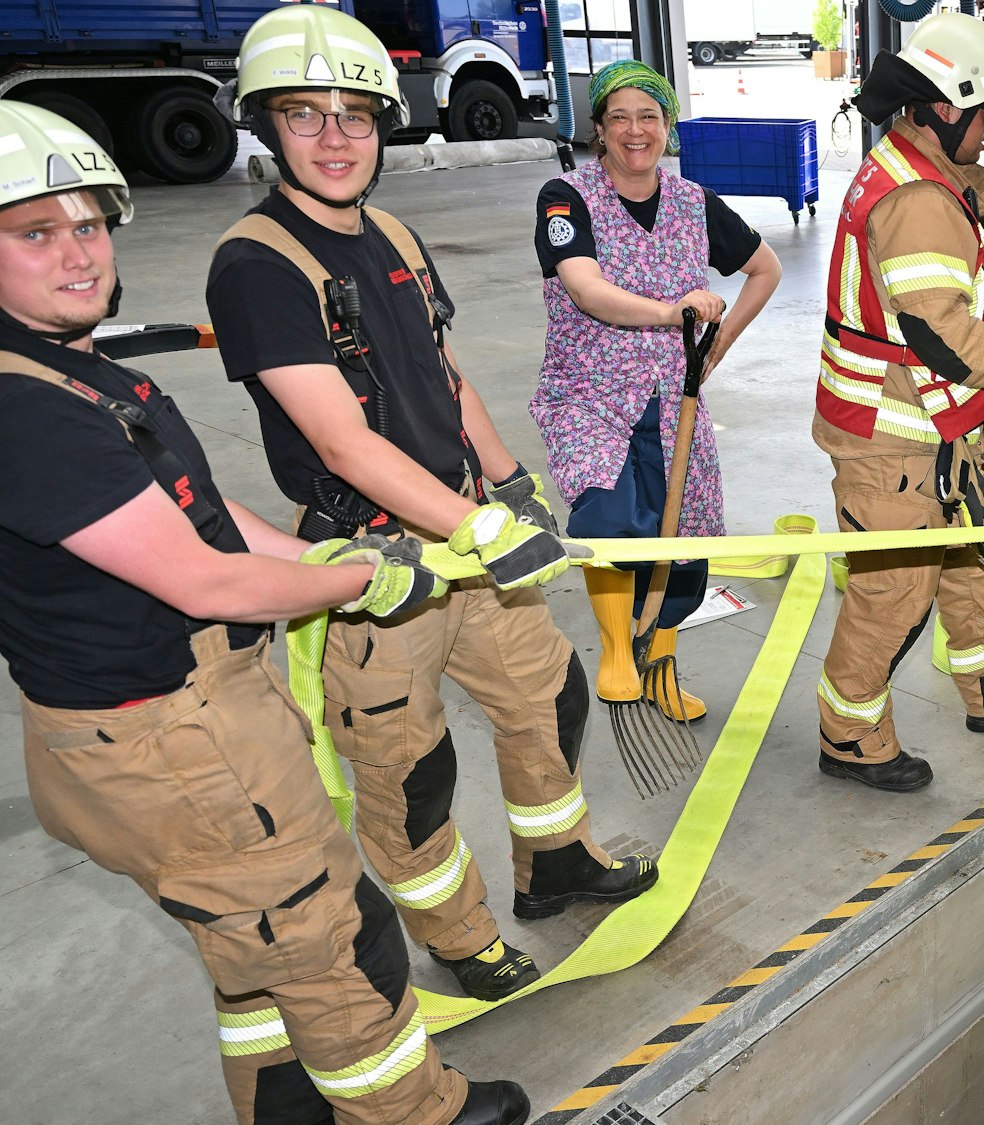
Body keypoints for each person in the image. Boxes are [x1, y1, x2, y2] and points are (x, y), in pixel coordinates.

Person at [0, 101, 528, 1125]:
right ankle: (419, 1113)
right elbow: (209, 583)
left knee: (257, 953)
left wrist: (332, 554)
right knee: (331, 935)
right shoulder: (25, 413)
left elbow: (204, 515)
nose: (77, 255)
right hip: (169, 738)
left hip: (163, 726)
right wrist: (363, 579)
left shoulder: (69, 367)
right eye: (34, 232)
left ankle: (285, 1108)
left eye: (89, 225)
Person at [203, 3, 653, 1005]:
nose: (333, 139)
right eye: (306, 116)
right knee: (411, 774)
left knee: (547, 695)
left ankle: (557, 863)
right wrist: (477, 529)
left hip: (463, 527)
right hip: (381, 570)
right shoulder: (257, 265)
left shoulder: (394, 230)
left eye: (352, 117)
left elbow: (442, 373)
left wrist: (507, 482)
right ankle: (457, 935)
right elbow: (339, 439)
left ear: (382, 122)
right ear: (267, 124)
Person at [816, 10, 984, 793]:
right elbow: (942, 337)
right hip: (890, 431)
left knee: (972, 556)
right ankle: (849, 732)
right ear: (946, 107)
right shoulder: (919, 199)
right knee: (892, 593)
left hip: (932, 421)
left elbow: (958, 303)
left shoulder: (926, 176)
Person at [531, 60, 781, 726]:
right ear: (600, 128)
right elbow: (585, 288)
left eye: (649, 116)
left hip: (675, 402)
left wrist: (715, 346)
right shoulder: (566, 196)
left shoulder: (695, 202)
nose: (635, 130)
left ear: (667, 126)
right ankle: (618, 649)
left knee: (686, 540)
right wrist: (675, 312)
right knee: (612, 520)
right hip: (591, 396)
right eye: (620, 116)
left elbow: (765, 267)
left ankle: (661, 661)